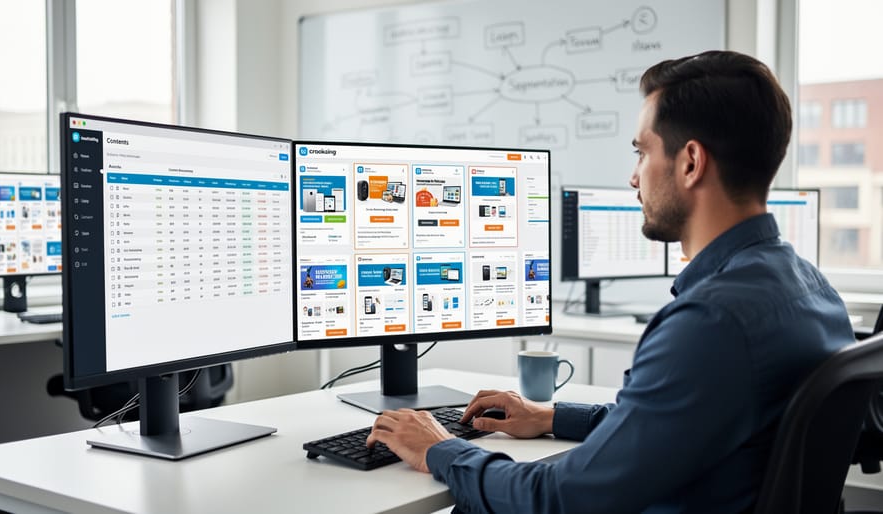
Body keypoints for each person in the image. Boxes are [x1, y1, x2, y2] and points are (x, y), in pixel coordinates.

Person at [366, 50, 856, 513]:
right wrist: (551, 416)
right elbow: (673, 426)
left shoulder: (712, 324)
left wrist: (441, 450)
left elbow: (560, 500)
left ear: (690, 162)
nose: (633, 177)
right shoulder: (811, 291)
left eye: (641, 152)